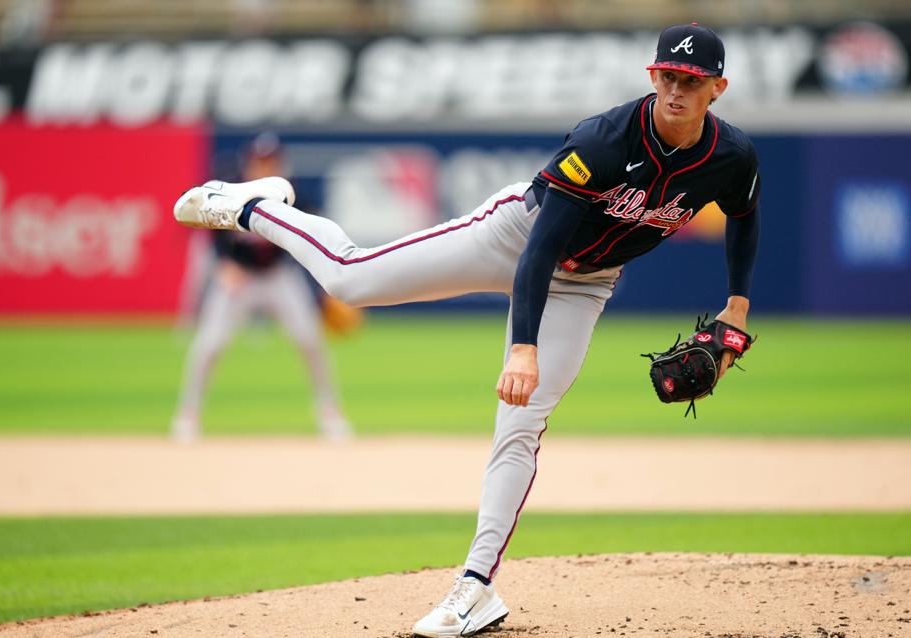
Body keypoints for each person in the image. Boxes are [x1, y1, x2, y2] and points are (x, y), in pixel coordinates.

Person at [173, 23, 760, 637]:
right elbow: (538, 252)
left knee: (523, 422)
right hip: (513, 236)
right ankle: (256, 206)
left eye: (691, 81)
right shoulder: (606, 139)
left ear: (717, 88)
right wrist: (523, 348)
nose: (676, 90)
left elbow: (745, 216)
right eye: (667, 76)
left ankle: (475, 589)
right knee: (351, 280)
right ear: (651, 77)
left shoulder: (732, 155)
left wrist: (736, 310)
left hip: (586, 282)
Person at [172, 133, 354, 443]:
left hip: (278, 277)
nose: (265, 165)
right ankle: (188, 416)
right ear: (250, 162)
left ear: (280, 162)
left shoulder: (293, 194)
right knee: (209, 346)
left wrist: (321, 295)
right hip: (238, 278)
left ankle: (330, 413)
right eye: (260, 160)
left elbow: (312, 242)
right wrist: (224, 263)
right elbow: (209, 231)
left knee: (310, 342)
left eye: (271, 160)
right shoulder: (231, 192)